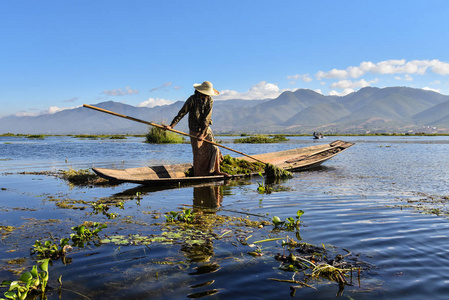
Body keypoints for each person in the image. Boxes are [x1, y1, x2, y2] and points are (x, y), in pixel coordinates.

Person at [166, 81, 229, 177]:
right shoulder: (192, 100)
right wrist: (171, 126)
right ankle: (199, 174)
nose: (207, 96)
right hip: (194, 130)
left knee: (214, 148)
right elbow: (182, 113)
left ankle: (217, 171)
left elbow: (207, 118)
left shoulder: (210, 100)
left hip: (206, 129)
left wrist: (202, 133)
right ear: (201, 92)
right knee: (199, 155)